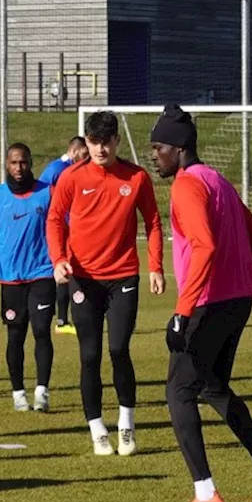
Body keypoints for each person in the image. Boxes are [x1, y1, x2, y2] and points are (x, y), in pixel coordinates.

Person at [150, 106, 252, 502]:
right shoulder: (218, 180)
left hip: (207, 305)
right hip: (237, 302)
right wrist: (241, 280)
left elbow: (206, 247)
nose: (154, 155)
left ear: (179, 149)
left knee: (178, 393)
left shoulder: (187, 185)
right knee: (212, 388)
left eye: (158, 147)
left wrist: (182, 311)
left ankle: (206, 494)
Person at [46, 110, 164, 456]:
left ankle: (126, 425)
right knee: (90, 355)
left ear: (116, 141)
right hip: (83, 279)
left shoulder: (137, 177)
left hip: (124, 276)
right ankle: (97, 428)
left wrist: (156, 267)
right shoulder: (71, 178)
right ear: (87, 142)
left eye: (105, 142)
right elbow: (54, 219)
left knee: (118, 349)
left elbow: (154, 222)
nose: (99, 149)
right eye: (93, 142)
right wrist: (58, 260)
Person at [0, 143, 57, 413]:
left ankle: (42, 390)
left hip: (42, 274)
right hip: (11, 280)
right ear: (6, 165)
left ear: (30, 162)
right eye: (13, 163)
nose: (19, 168)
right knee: (15, 336)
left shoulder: (47, 193)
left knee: (42, 330)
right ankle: (18, 393)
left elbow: (61, 230)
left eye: (23, 162)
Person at [37, 136, 88, 335]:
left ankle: (66, 320)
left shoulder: (71, 169)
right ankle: (61, 320)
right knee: (64, 272)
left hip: (71, 229)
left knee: (70, 271)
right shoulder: (57, 169)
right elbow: (40, 195)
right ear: (75, 152)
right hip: (58, 230)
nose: (87, 159)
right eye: (84, 154)